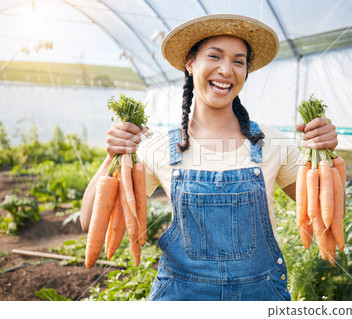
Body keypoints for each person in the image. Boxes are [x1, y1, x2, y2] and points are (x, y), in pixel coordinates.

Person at [80, 14, 338, 301]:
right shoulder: (159, 146)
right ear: (190, 63)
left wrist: (326, 156)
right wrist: (113, 157)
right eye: (214, 56)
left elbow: (324, 212)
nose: (226, 70)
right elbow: (89, 221)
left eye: (239, 61)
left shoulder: (272, 141)